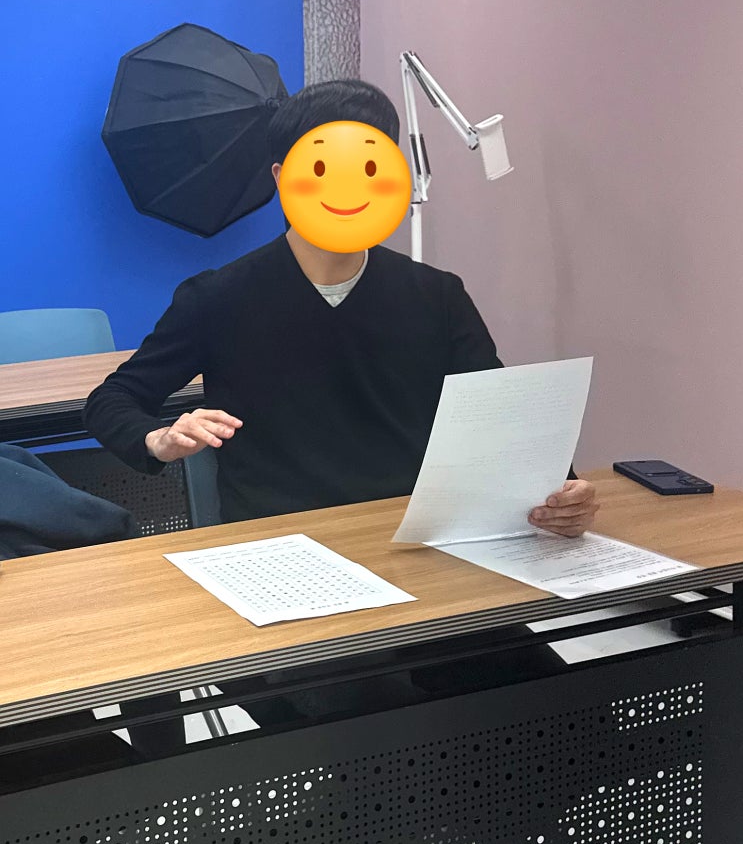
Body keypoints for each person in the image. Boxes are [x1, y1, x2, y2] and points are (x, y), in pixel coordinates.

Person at [83, 79, 598, 754]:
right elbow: (112, 399)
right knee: (387, 731)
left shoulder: (435, 295)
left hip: (420, 553)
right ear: (283, 177)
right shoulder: (219, 297)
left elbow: (504, 414)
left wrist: (562, 488)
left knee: (564, 713)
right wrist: (159, 436)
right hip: (284, 567)